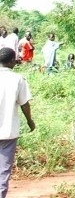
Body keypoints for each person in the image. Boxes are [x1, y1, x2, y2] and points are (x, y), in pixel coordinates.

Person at [0, 47, 35, 197]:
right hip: (8, 131)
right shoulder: (18, 79)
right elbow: (24, 104)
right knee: (3, 170)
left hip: (8, 131)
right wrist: (30, 121)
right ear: (11, 61)